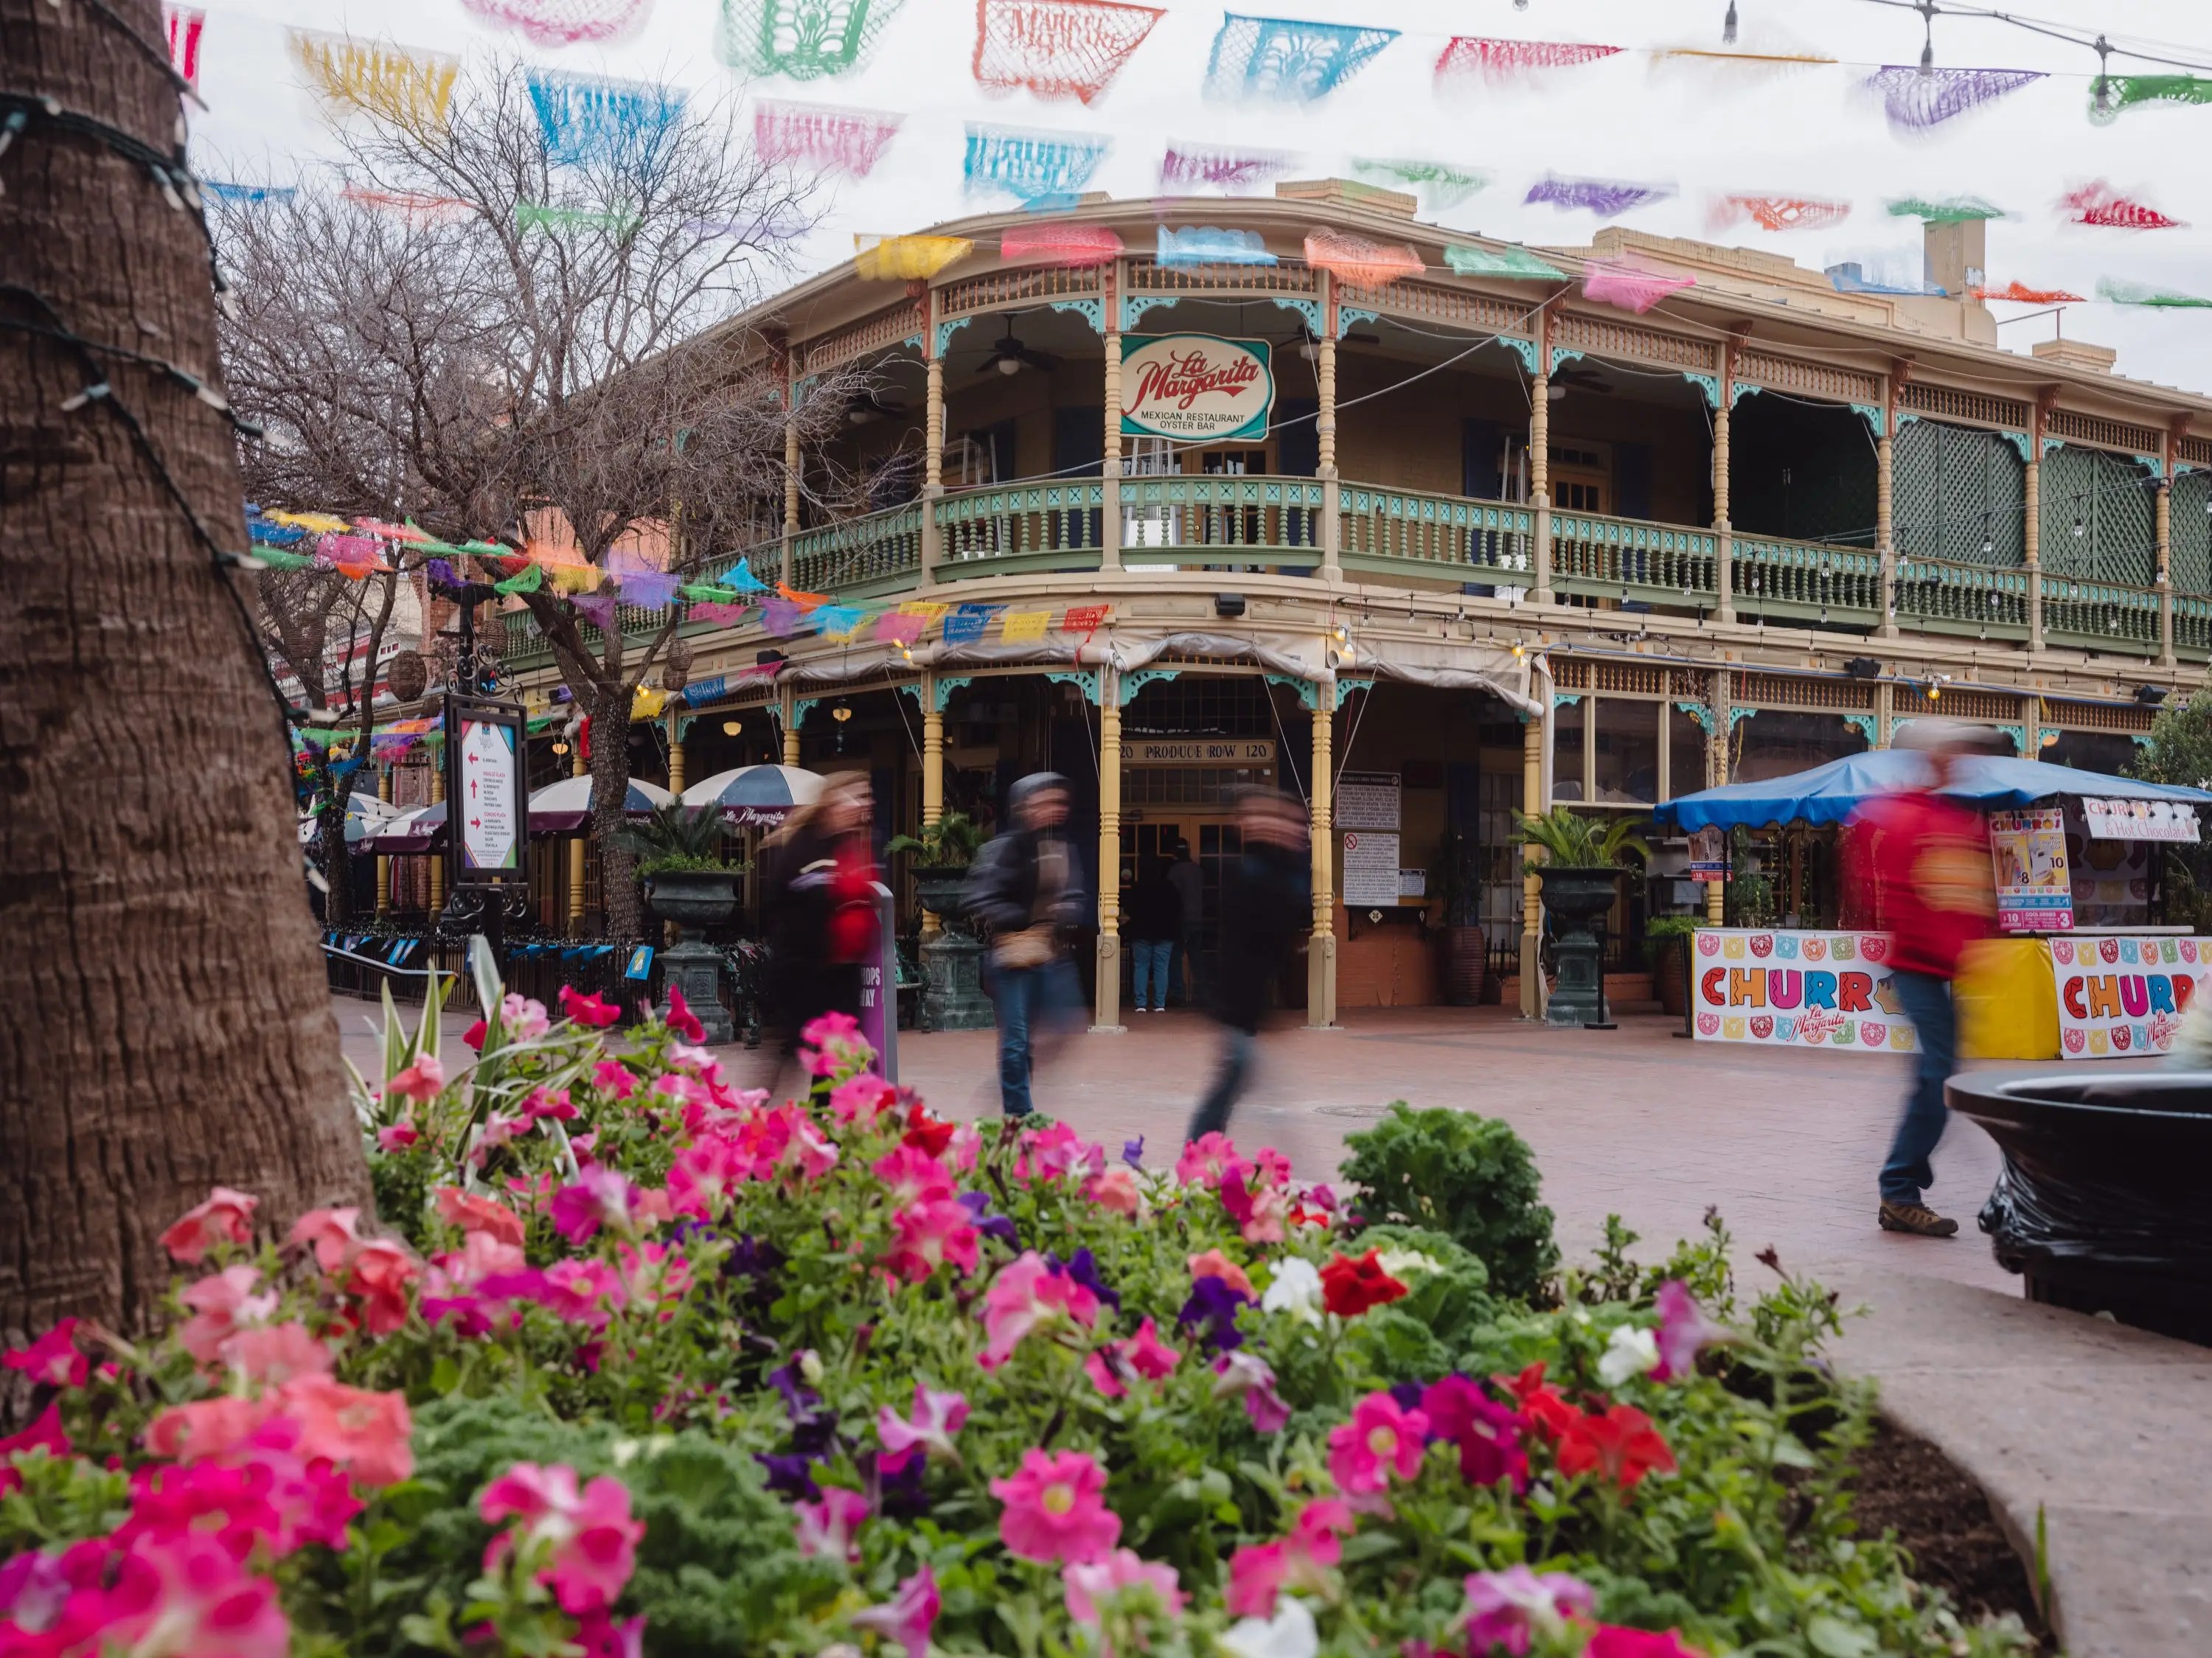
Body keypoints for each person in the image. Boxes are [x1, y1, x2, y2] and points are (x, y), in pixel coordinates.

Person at [1846, 721, 2003, 1237]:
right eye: (1952, 752)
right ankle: (1899, 1187)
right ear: (1932, 758)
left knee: (1939, 1078)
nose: (1958, 760)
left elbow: (1970, 896)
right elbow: (1880, 885)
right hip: (1916, 965)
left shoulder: (1948, 819)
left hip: (1940, 968)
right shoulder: (1908, 816)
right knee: (1938, 1078)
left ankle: (1903, 1183)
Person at [1186, 790, 1311, 1143]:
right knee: (1232, 1085)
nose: (1284, 828)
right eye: (1269, 818)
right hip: (1236, 1007)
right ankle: (1197, 1152)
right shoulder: (1247, 872)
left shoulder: (1273, 870)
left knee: (1234, 1084)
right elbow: (1234, 943)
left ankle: (1201, 1151)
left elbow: (1291, 923)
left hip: (1248, 1008)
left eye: (1288, 821)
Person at [963, 773, 1089, 1116]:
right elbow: (982, 896)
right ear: (1024, 804)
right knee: (1017, 1041)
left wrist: (1066, 908)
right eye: (1044, 801)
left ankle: (1013, 1082)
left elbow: (1072, 891)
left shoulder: (1061, 848)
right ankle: (1019, 1113)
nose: (1053, 809)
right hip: (1012, 956)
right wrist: (1021, 917)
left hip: (1048, 953)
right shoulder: (1006, 848)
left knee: (1065, 1027)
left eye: (1058, 802)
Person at [762, 772, 881, 1051]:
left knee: (837, 1062)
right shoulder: (805, 846)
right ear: (834, 802)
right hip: (807, 974)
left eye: (868, 796)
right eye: (858, 796)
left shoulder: (850, 846)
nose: (867, 803)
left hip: (844, 973)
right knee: (807, 1061)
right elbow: (780, 905)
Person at [1126, 854, 1181, 1014]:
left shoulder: (1138, 887)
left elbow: (1129, 909)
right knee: (1161, 968)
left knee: (1141, 967)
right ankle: (1160, 1004)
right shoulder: (1169, 887)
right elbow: (1178, 908)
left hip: (1141, 932)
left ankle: (1141, 1003)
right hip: (1165, 932)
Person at [1167, 838, 1204, 1006]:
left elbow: (1172, 898)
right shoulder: (1198, 871)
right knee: (1196, 957)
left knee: (1175, 957)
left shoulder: (1174, 872)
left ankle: (1177, 994)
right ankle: (1202, 994)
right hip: (1198, 918)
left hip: (1180, 920)